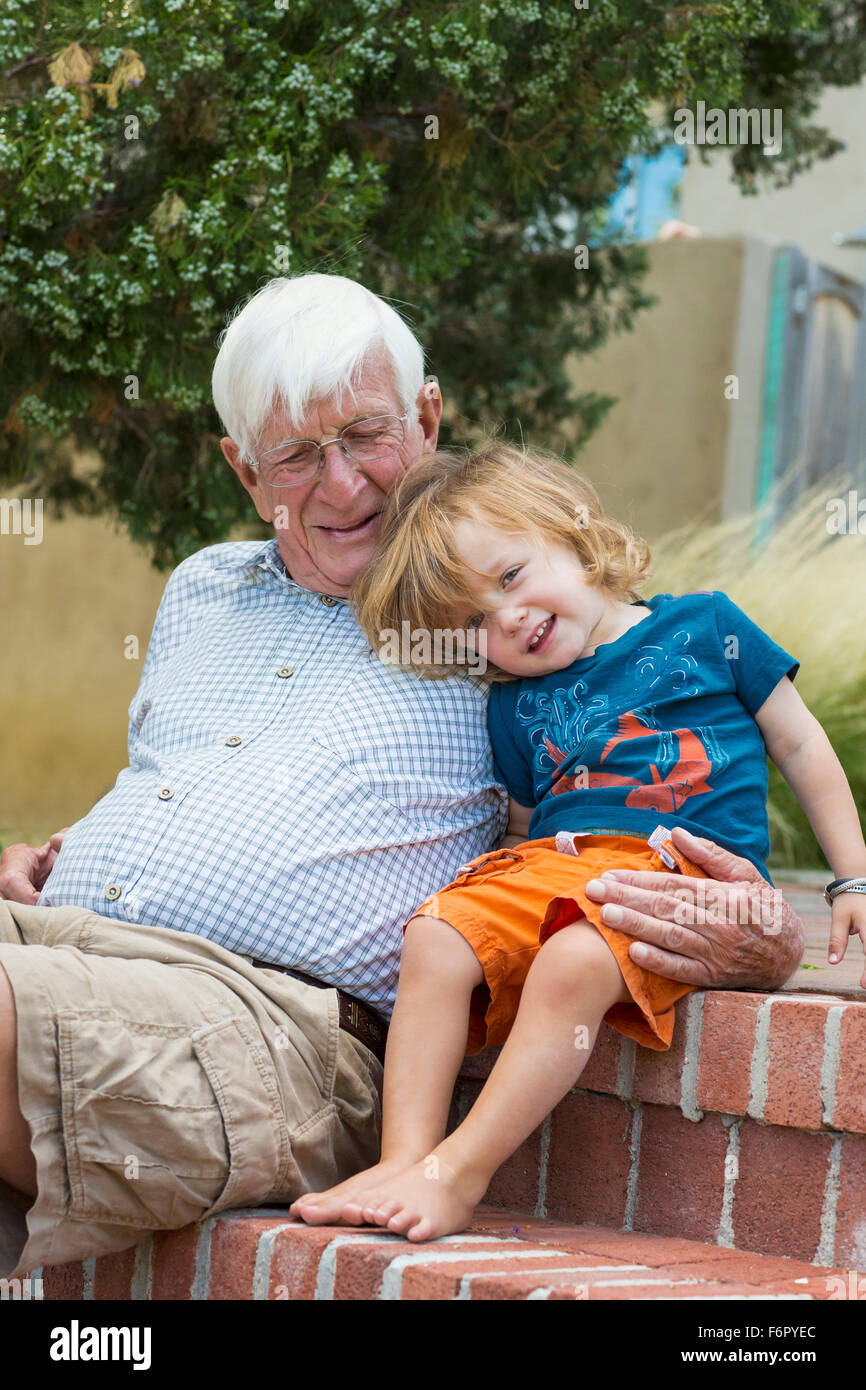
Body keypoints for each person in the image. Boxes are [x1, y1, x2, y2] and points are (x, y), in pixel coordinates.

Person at [0, 277, 804, 1280]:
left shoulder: (514, 625)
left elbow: (657, 787)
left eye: (364, 435)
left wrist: (758, 932)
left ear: (427, 418)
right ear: (243, 471)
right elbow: (182, 773)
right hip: (54, 944)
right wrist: (57, 852)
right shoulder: (202, 587)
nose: (340, 486)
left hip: (264, 1027)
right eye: (295, 456)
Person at [290, 444, 865, 1242]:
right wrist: (491, 926)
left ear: (575, 531)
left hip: (676, 871)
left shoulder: (707, 627)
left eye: (513, 577)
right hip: (556, 862)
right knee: (435, 936)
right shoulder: (514, 705)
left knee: (571, 961)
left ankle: (459, 1175)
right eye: (475, 622)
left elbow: (801, 746)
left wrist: (854, 879)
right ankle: (404, 1156)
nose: (509, 617)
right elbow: (525, 830)